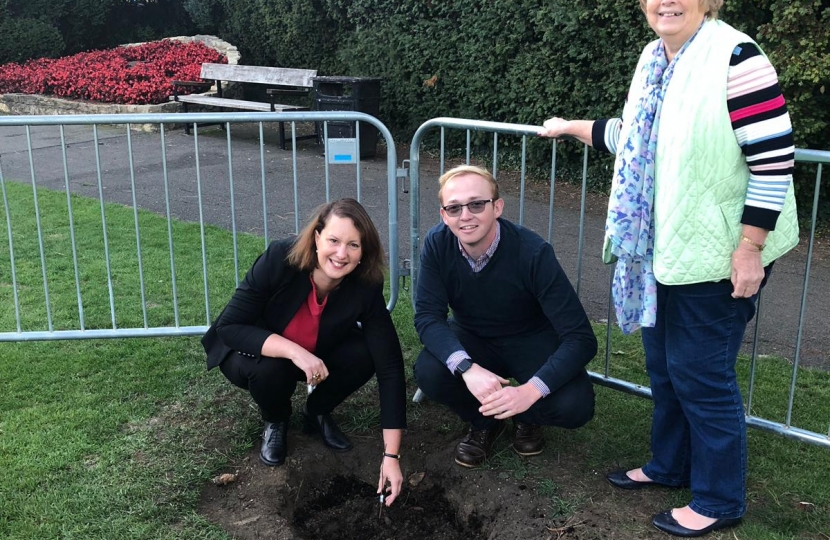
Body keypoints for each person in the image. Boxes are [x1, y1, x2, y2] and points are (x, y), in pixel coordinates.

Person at [538, 0, 799, 536]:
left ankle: (719, 500)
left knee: (702, 378)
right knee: (664, 369)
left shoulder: (737, 56)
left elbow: (773, 161)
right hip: (662, 252)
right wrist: (572, 127)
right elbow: (636, 138)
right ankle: (670, 466)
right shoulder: (655, 59)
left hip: (717, 257)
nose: (667, 1)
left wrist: (750, 248)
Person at [201, 198, 407, 506]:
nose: (341, 254)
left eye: (353, 245)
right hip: (254, 350)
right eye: (334, 240)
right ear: (316, 237)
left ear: (364, 252)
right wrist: (294, 351)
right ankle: (276, 419)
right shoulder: (279, 259)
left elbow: (389, 366)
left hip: (317, 350)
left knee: (366, 352)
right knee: (271, 370)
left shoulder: (365, 285)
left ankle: (317, 410)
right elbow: (230, 328)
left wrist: (391, 454)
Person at [413, 164, 598, 469]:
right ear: (444, 215)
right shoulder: (438, 243)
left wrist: (530, 392)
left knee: (575, 406)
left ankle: (525, 416)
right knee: (430, 371)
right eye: (455, 208)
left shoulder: (534, 252)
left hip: (530, 338)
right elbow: (428, 317)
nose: (466, 215)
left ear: (497, 207)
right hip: (471, 335)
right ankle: (484, 421)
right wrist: (466, 367)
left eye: (476, 204)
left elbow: (580, 338)